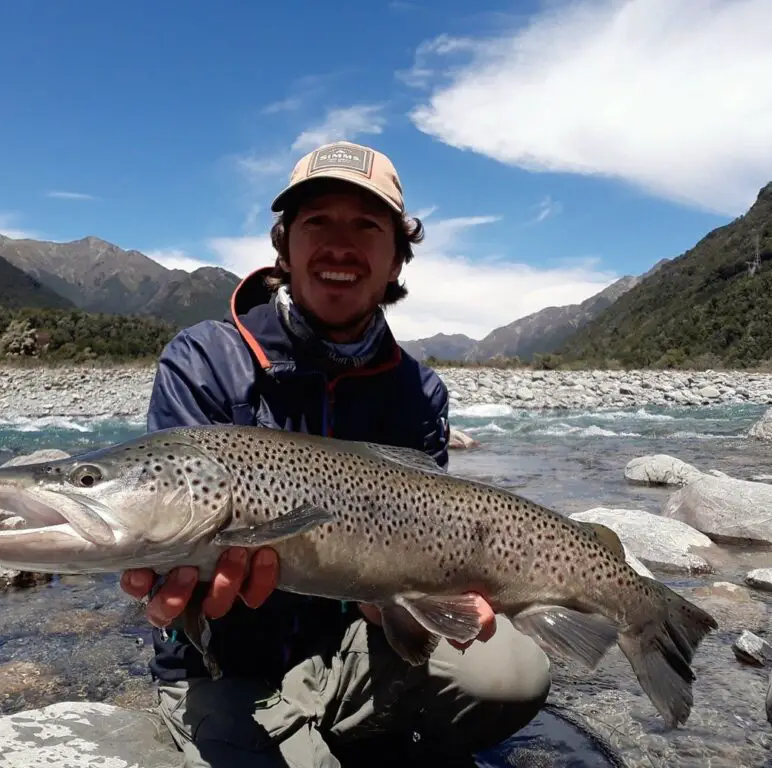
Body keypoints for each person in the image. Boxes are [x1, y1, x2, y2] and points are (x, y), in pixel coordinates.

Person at [119, 140, 552, 767]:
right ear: (284, 246)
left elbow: (401, 569)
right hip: (224, 668)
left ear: (398, 258)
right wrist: (164, 584)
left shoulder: (419, 393)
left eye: (367, 225)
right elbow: (167, 518)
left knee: (509, 674)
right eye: (317, 221)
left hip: (352, 648)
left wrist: (431, 597)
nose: (340, 244)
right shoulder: (206, 359)